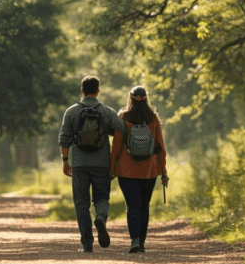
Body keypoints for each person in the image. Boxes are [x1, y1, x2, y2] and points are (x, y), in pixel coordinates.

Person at [58, 76, 126, 253]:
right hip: (102, 163)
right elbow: (123, 128)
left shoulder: (71, 112)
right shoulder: (106, 111)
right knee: (101, 197)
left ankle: (87, 243)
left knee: (81, 202)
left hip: (79, 164)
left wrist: (65, 161)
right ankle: (101, 218)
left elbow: (64, 139)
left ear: (82, 91)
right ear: (98, 91)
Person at [110, 85, 168, 253]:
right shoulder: (153, 118)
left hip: (126, 169)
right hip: (149, 170)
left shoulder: (123, 116)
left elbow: (117, 145)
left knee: (132, 205)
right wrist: (163, 171)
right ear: (146, 98)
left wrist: (112, 168)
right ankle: (141, 242)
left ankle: (134, 240)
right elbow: (160, 146)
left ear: (130, 98)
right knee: (144, 205)